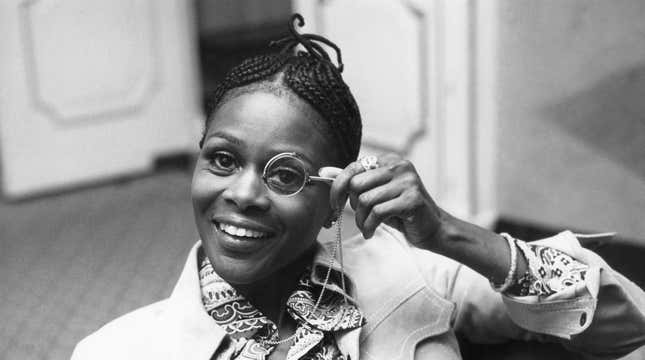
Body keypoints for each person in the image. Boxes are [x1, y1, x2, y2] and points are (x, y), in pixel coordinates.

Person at [72, 14, 645, 360]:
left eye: (286, 174)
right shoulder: (113, 351)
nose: (243, 194)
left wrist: (447, 234)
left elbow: (627, 326)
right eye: (222, 159)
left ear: (334, 198)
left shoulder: (418, 277)